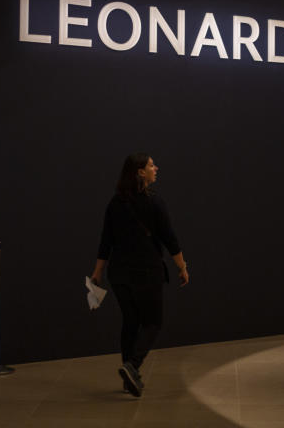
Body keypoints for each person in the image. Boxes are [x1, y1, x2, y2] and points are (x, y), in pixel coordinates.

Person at [90, 153, 189, 397]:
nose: (156, 168)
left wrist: (97, 272)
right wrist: (182, 266)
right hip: (146, 271)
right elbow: (170, 239)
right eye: (151, 165)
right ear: (140, 173)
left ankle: (128, 379)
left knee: (131, 322)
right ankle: (132, 367)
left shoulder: (115, 203)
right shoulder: (155, 202)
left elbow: (106, 241)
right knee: (153, 322)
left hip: (119, 274)